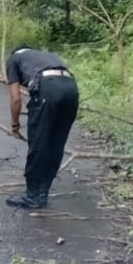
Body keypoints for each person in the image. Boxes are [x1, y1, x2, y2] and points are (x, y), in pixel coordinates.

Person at [5, 44, 80, 208]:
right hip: (71, 89)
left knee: (38, 143)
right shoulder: (45, 55)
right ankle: (43, 193)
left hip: (48, 89)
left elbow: (16, 98)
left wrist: (15, 124)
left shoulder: (13, 59)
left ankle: (32, 195)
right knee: (56, 143)